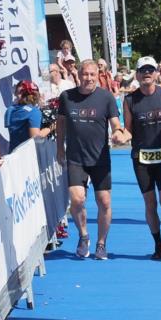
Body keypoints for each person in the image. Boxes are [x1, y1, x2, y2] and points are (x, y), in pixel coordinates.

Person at [56, 60, 130, 260]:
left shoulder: (106, 98)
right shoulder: (66, 97)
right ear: (78, 75)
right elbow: (61, 123)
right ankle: (83, 235)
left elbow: (116, 123)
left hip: (99, 158)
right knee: (77, 199)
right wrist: (59, 148)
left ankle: (101, 243)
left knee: (104, 202)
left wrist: (118, 133)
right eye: (85, 74)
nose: (88, 78)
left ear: (98, 75)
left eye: (92, 74)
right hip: (75, 157)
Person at [122, 56, 161, 260]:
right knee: (150, 203)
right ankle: (158, 244)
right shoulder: (130, 100)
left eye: (150, 69)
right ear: (137, 75)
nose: (147, 73)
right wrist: (120, 135)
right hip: (141, 159)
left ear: (157, 73)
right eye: (143, 70)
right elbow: (128, 130)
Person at [4, 80, 43, 150]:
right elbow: (36, 138)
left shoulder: (10, 110)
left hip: (13, 154)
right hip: (27, 156)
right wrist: (50, 128)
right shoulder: (34, 111)